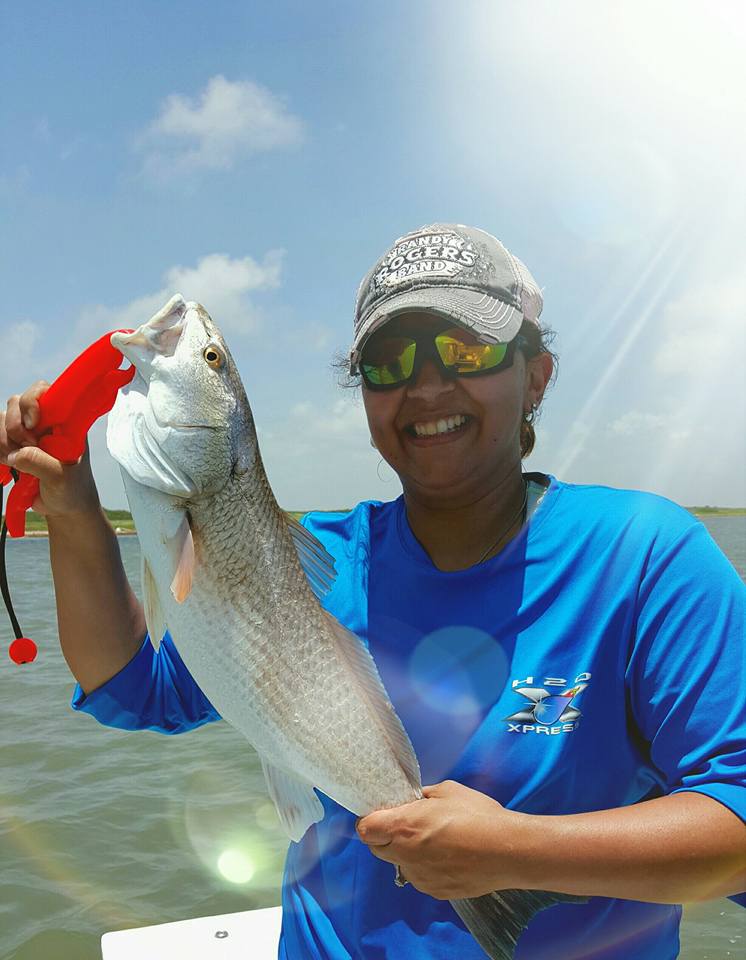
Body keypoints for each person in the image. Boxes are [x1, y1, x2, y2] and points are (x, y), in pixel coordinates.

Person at [1, 222, 744, 960]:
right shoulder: (314, 558)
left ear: (537, 376)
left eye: (466, 349)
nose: (425, 386)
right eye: (389, 362)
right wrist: (70, 509)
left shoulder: (645, 556)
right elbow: (134, 689)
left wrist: (519, 854)